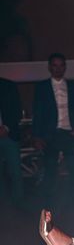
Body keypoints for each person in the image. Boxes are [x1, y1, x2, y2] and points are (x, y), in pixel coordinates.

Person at [32, 53, 74, 207]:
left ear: (65, 67)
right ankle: (48, 204)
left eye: (61, 65)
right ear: (49, 67)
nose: (58, 69)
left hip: (69, 133)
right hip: (51, 134)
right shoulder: (41, 87)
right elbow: (38, 112)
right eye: (54, 65)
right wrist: (37, 136)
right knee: (50, 170)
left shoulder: (73, 87)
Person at [0, 77, 24, 208]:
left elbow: (17, 111)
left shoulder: (8, 85)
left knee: (15, 171)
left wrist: (6, 127)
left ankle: (18, 203)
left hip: (9, 135)